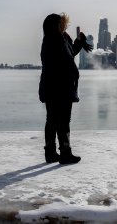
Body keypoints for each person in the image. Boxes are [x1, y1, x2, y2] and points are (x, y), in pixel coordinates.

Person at [39, 13, 92, 164]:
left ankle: (50, 152)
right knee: (63, 120)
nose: (65, 26)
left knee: (52, 119)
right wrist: (78, 44)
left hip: (52, 86)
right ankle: (65, 153)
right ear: (56, 25)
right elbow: (67, 59)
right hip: (60, 86)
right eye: (62, 24)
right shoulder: (57, 39)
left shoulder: (53, 38)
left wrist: (78, 43)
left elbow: (68, 54)